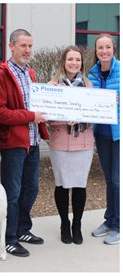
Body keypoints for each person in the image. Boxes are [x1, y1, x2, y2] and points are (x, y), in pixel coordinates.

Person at [0, 29, 49, 257]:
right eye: (23, 45)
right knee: (12, 193)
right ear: (11, 46)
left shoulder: (31, 73)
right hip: (13, 143)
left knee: (31, 189)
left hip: (32, 141)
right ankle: (9, 238)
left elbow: (36, 105)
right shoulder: (0, 75)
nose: (27, 50)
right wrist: (31, 116)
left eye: (30, 46)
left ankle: (23, 229)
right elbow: (1, 114)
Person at [47, 46, 94, 245]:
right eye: (70, 59)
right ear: (63, 62)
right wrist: (66, 118)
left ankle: (77, 224)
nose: (74, 63)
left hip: (83, 143)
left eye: (77, 60)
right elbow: (47, 118)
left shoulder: (89, 86)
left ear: (82, 63)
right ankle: (64, 223)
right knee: (62, 184)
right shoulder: (53, 85)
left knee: (80, 185)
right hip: (60, 143)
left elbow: (96, 115)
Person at [88, 34, 120, 245]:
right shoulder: (92, 73)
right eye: (100, 47)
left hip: (119, 135)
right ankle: (109, 220)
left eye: (108, 47)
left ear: (113, 50)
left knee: (118, 181)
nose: (104, 51)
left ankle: (118, 226)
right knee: (109, 179)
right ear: (96, 50)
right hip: (101, 133)